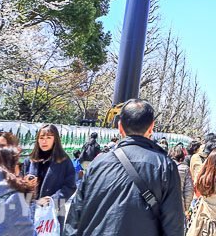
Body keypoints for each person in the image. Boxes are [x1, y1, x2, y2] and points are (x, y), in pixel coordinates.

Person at [63, 99, 184, 236]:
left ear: (120, 127)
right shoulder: (165, 166)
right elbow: (173, 225)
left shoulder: (97, 163)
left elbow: (75, 218)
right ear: (151, 127)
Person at [26, 124, 76, 226]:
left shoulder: (64, 160)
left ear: (55, 140)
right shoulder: (30, 160)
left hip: (53, 213)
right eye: (41, 138)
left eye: (49, 137)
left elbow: (70, 186)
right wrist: (25, 184)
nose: (44, 141)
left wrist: (52, 200)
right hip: (30, 211)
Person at [169, 144, 193, 214]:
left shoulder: (162, 167)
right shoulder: (185, 169)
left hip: (163, 206)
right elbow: (189, 190)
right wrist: (186, 208)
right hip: (179, 205)